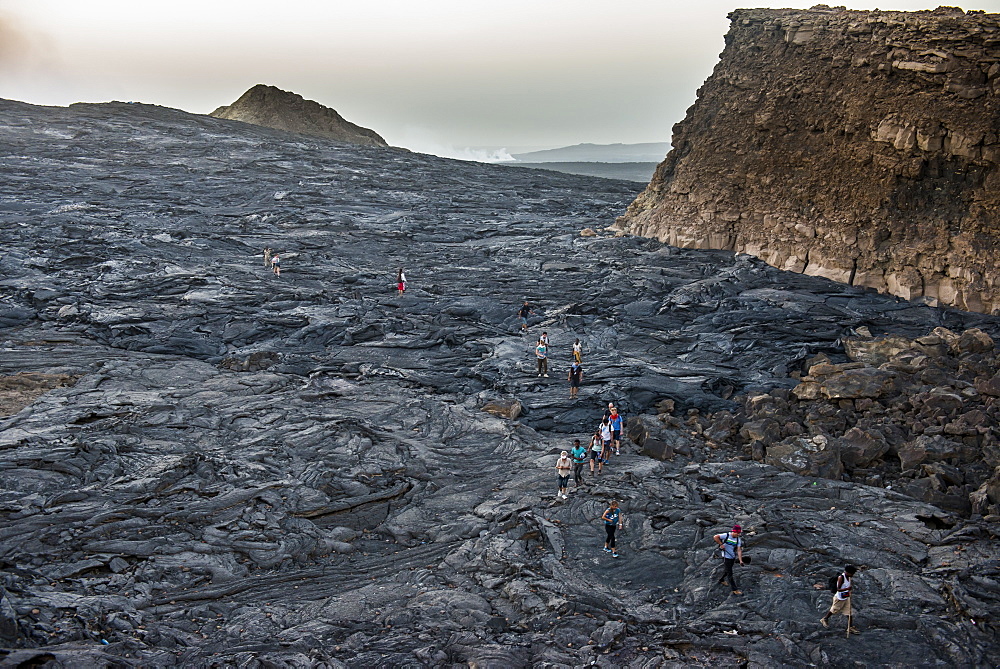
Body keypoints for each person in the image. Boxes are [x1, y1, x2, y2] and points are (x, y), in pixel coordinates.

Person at [821, 565, 859, 632]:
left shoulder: (849, 578)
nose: (853, 575)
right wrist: (847, 588)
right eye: (852, 573)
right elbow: (838, 589)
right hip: (839, 598)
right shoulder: (841, 578)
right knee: (834, 610)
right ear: (847, 572)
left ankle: (850, 627)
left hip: (846, 597)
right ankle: (825, 619)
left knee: (849, 612)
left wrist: (849, 590)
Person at [713, 525, 745, 595]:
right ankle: (735, 589)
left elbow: (739, 550)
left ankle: (721, 579)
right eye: (738, 533)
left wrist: (740, 560)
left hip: (732, 557)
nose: (739, 534)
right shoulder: (726, 535)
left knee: (727, 570)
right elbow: (715, 537)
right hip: (726, 557)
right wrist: (721, 544)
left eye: (739, 533)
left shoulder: (738, 539)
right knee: (730, 573)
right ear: (734, 531)